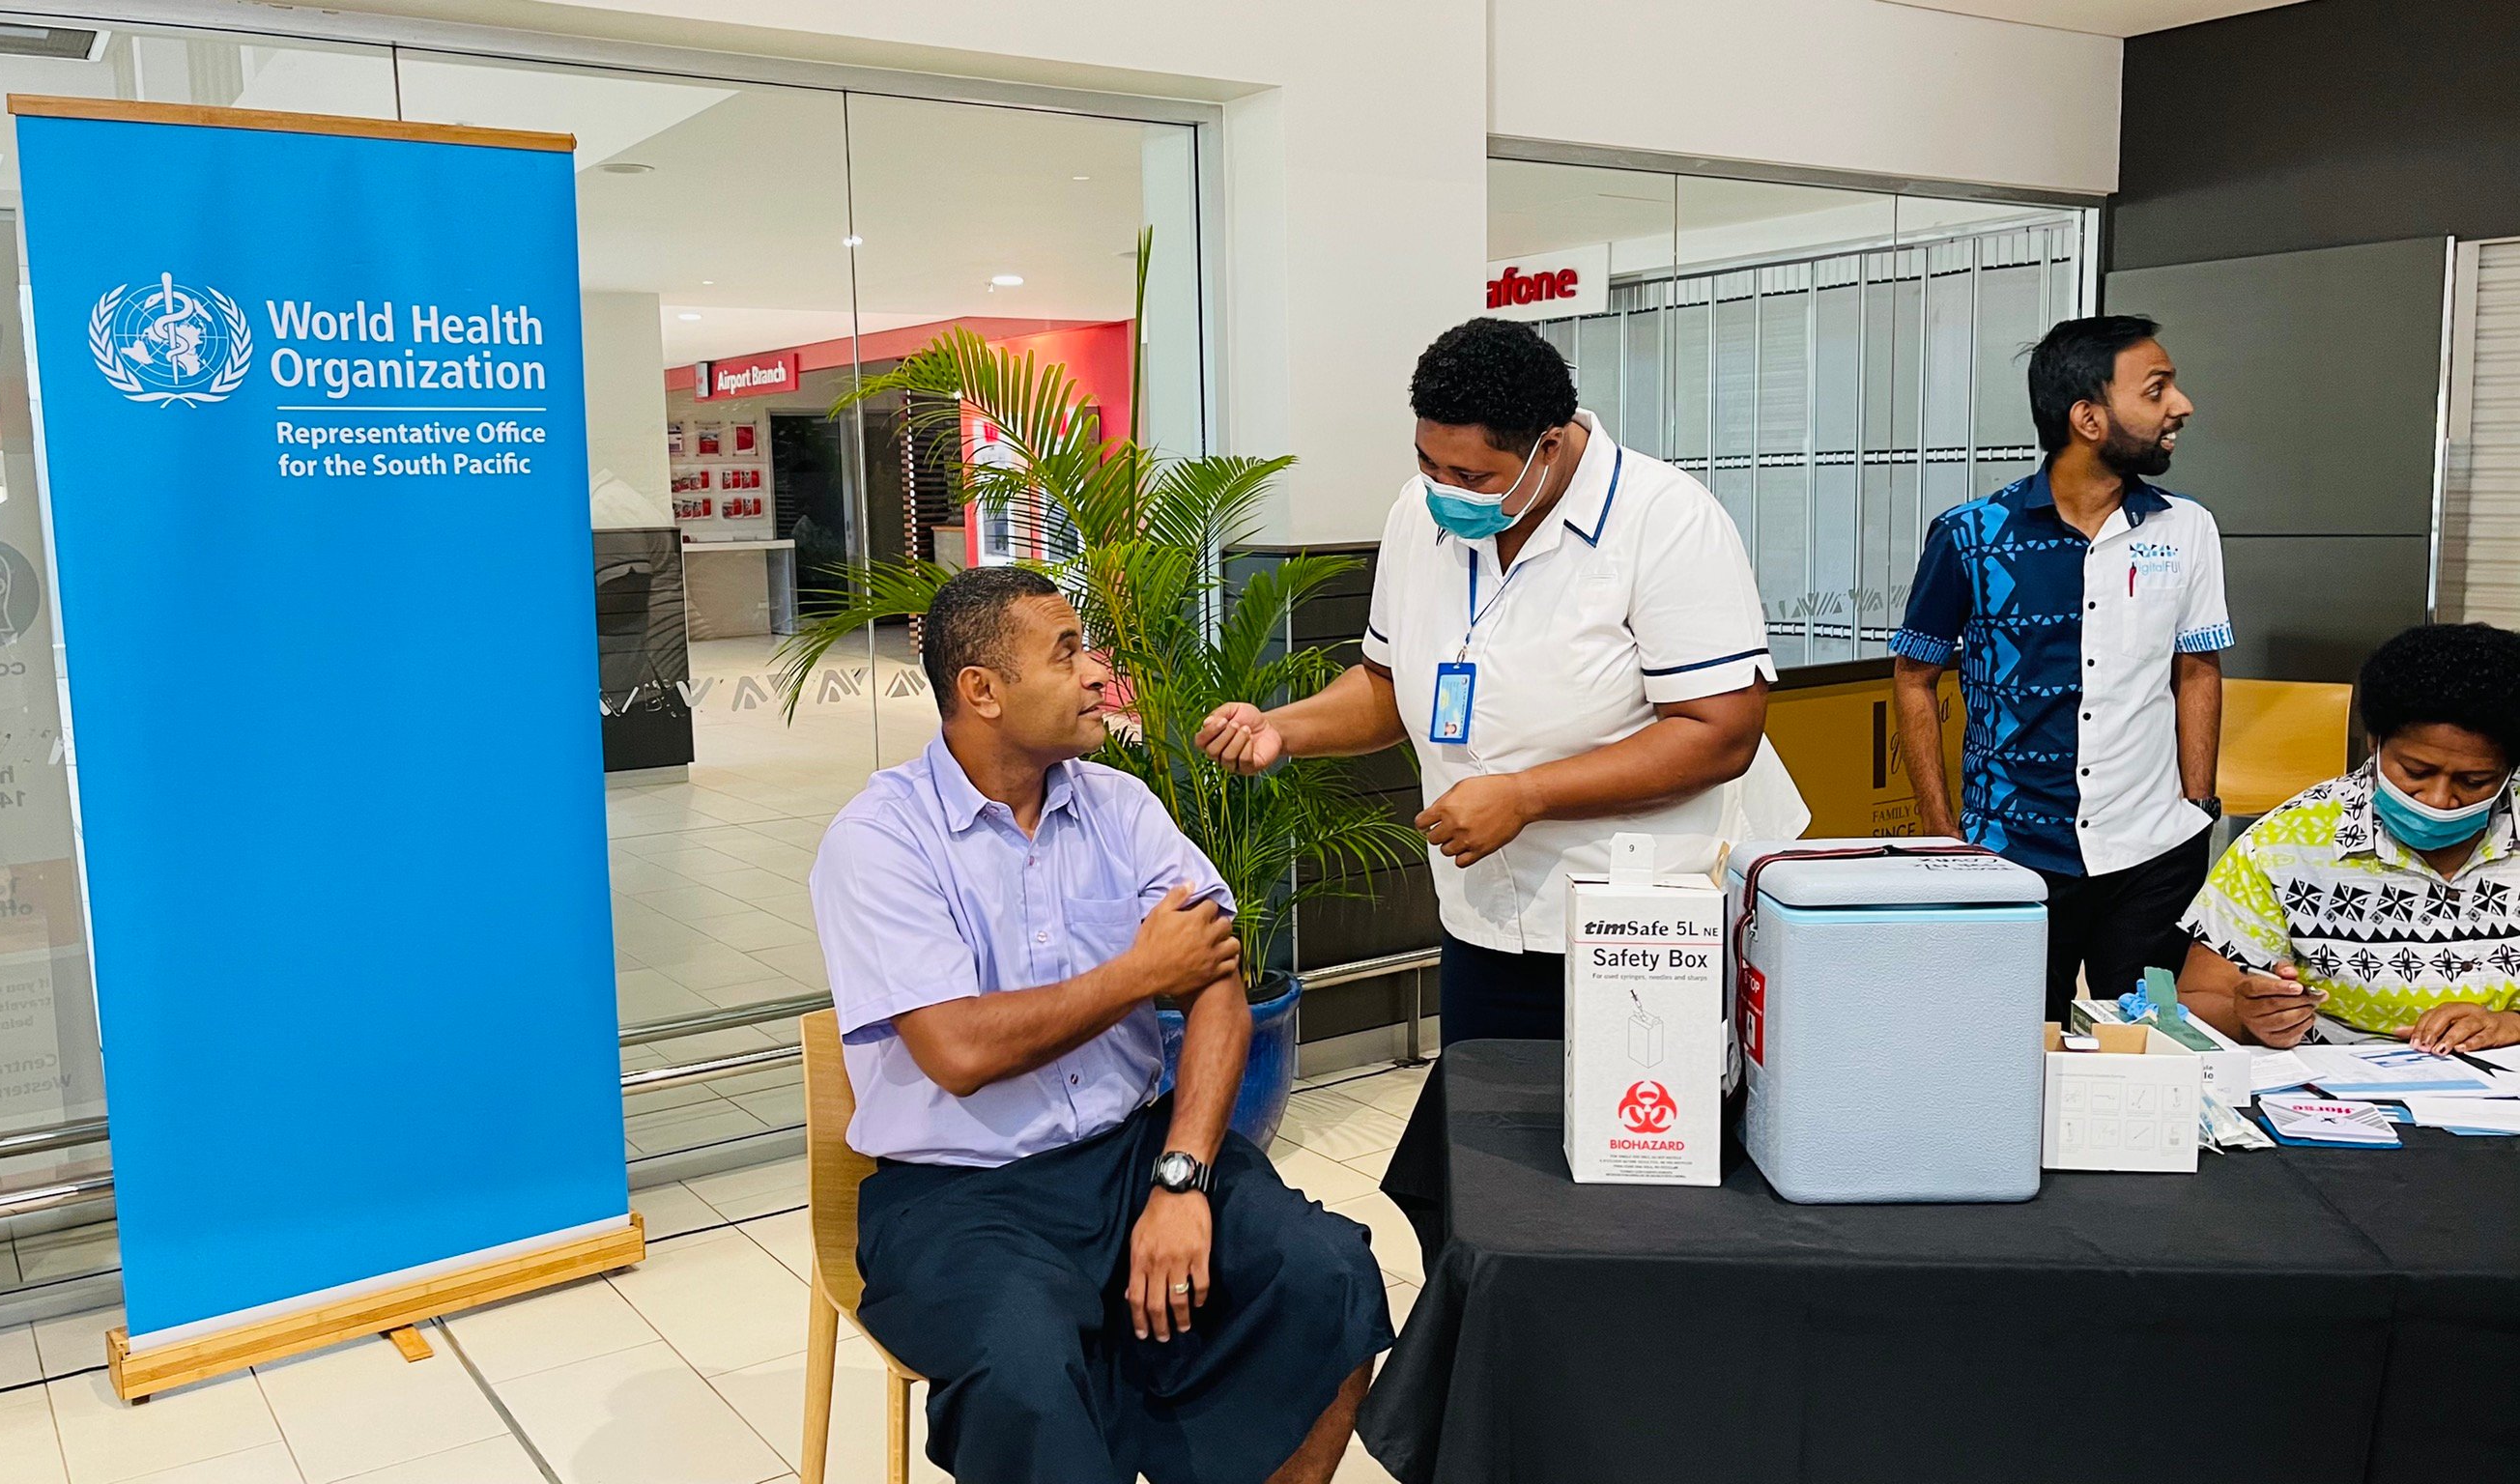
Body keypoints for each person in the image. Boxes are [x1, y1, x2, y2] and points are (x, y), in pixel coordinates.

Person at [809, 565, 1393, 1484]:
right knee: (1024, 1372)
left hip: (1133, 1152)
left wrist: (1181, 1177)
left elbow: (1216, 988)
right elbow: (957, 1050)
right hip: (962, 1197)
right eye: (1067, 654)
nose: (1098, 674)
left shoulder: (1121, 808)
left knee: (1325, 1273)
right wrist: (1140, 974)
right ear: (983, 691)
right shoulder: (880, 840)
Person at [1194, 317, 1790, 1043]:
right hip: (1482, 918)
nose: (1444, 491)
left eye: (1473, 478)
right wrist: (1281, 727)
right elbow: (1387, 687)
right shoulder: (1418, 515)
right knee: (1484, 1110)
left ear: (1548, 445)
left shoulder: (1666, 521)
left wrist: (1526, 795)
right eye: (1428, 464)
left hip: (1645, 928)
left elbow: (1721, 734)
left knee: (1635, 1111)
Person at [1890, 314, 2227, 1020]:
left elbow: (2197, 667)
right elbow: (1915, 677)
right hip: (2011, 851)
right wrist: (1941, 831)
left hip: (2153, 851)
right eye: (2157, 389)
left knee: (2147, 1043)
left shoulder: (2186, 527)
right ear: (2088, 418)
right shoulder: (1971, 536)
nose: (2182, 406)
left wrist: (2197, 807)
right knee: (2008, 1045)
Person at [2179, 623, 2520, 1053]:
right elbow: (2197, 997)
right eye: (2415, 772)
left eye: (2474, 781)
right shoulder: (2286, 844)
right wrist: (2250, 1019)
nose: (2438, 799)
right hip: (2332, 1081)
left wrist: (2510, 1025)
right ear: (2375, 743)